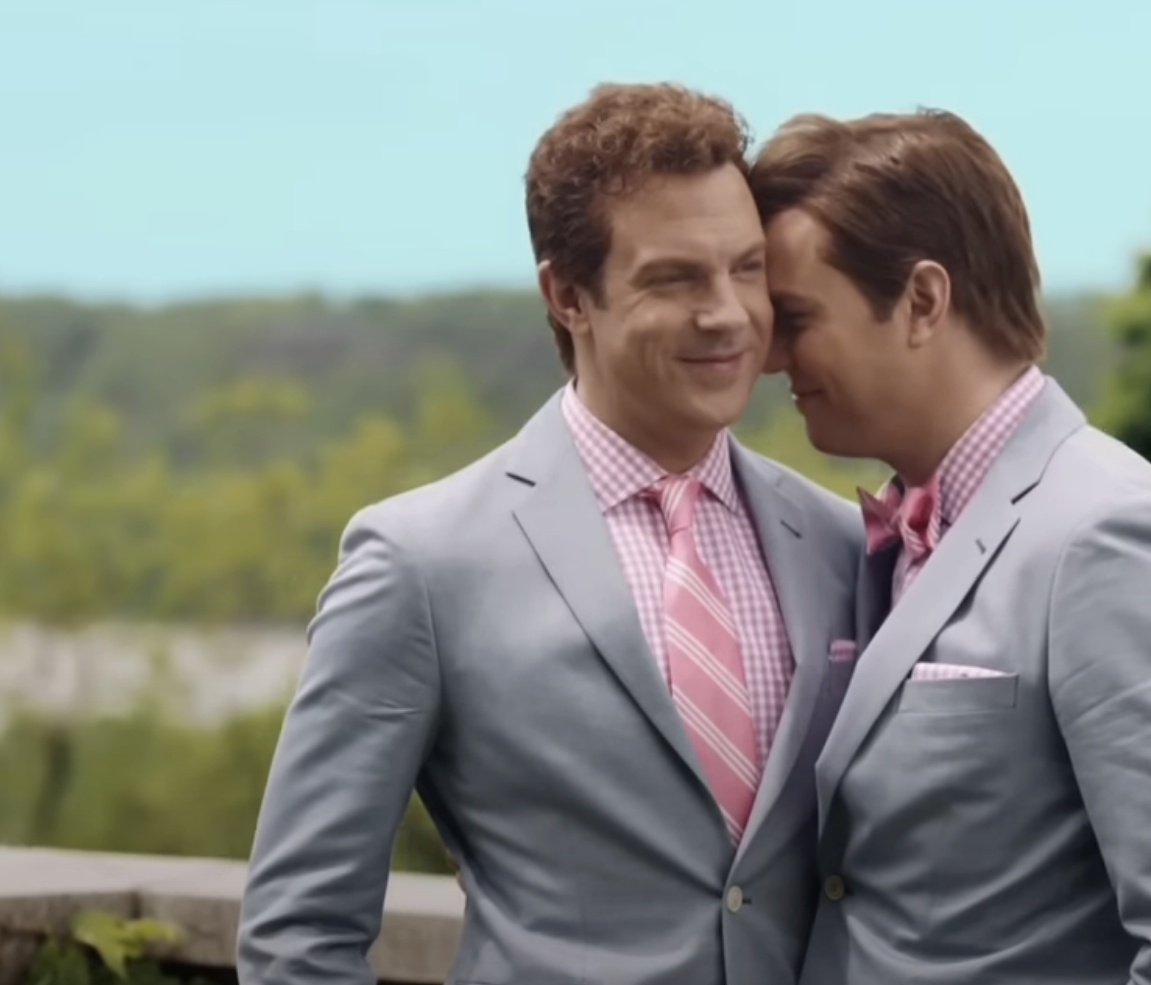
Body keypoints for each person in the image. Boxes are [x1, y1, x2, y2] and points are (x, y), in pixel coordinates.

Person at [236, 83, 863, 985]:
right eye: (674, 277)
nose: (727, 312)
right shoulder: (419, 563)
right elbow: (297, 933)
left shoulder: (839, 542)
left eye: (746, 267)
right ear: (568, 295)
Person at [752, 108, 1151, 985]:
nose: (771, 355)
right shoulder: (886, 535)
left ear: (923, 300)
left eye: (796, 315)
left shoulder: (1107, 537)